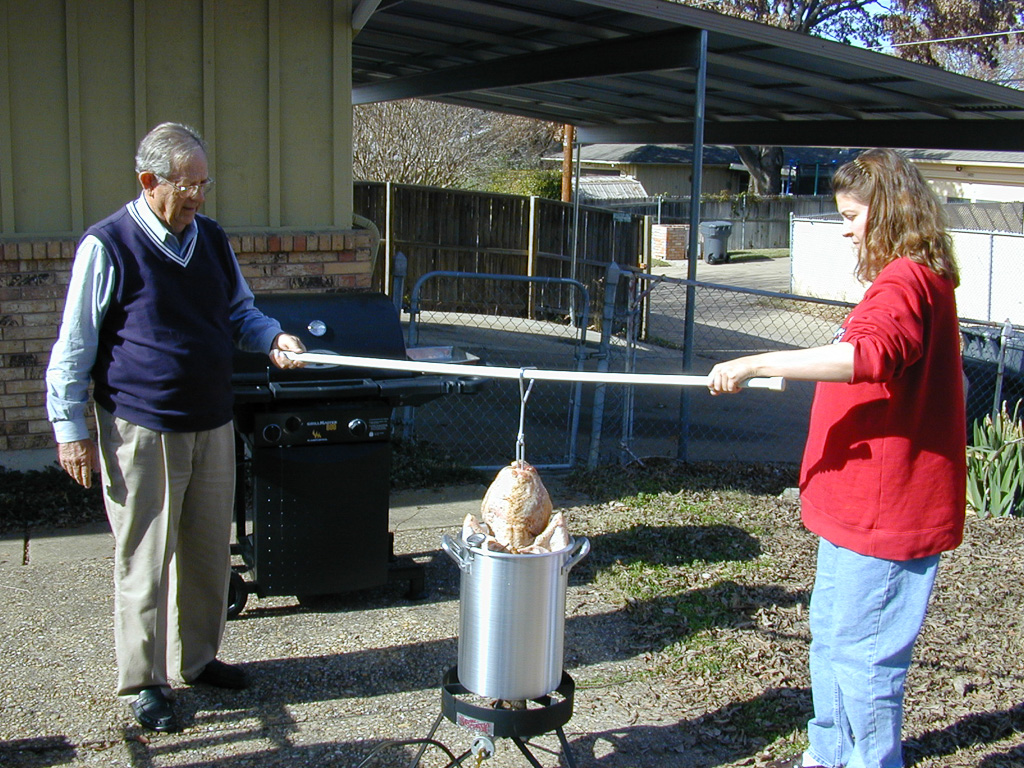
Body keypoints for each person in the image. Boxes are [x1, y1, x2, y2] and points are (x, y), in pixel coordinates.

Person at [708, 148, 965, 768]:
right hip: (856, 512)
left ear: (891, 211)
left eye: (853, 214)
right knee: (832, 643)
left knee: (863, 659)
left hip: (884, 517)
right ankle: (827, 754)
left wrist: (755, 360)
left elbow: (868, 358)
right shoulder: (913, 280)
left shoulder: (905, 278)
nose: (846, 228)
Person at [45, 122, 306, 733]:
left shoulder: (211, 239)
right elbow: (74, 346)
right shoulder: (107, 245)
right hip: (141, 426)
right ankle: (144, 681)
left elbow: (241, 311)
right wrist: (70, 428)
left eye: (204, 184)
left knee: (209, 550)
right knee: (146, 557)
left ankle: (201, 658)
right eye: (186, 185)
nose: (197, 196)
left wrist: (273, 338)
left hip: (211, 420)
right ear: (148, 181)